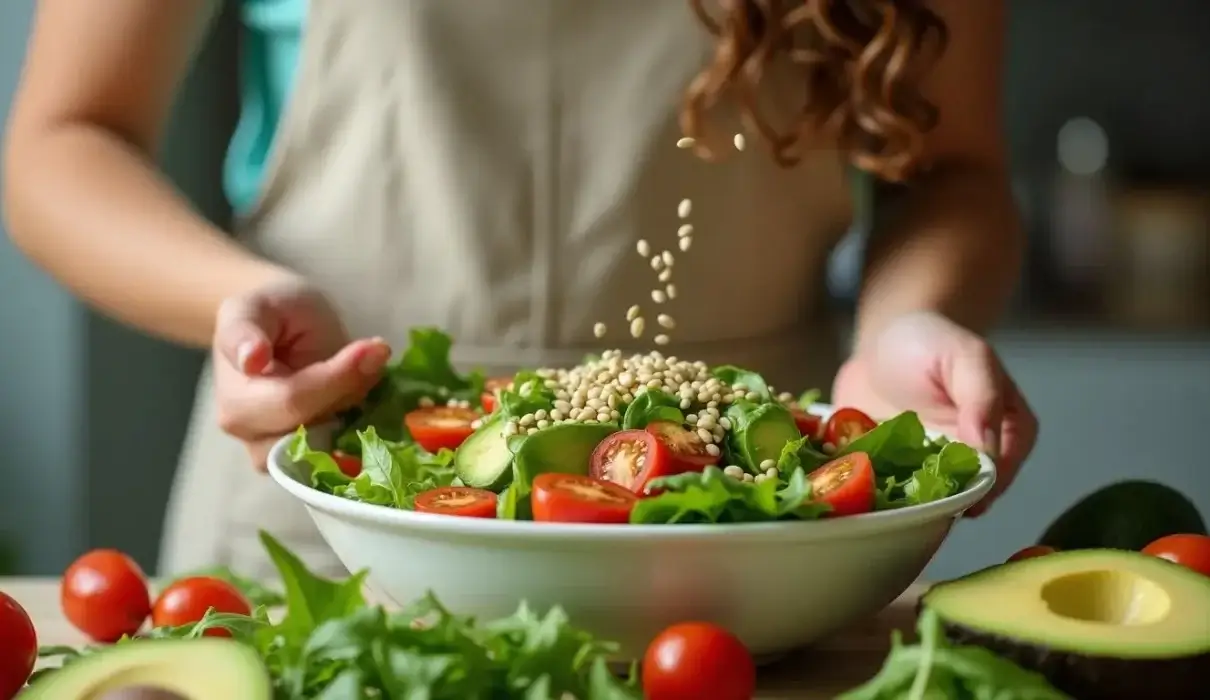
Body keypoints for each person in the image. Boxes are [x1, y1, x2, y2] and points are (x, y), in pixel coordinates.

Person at [3, 0, 1037, 578]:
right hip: (335, 488)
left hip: (739, 523)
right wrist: (239, 300)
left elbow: (955, 170)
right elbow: (62, 140)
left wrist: (901, 321)